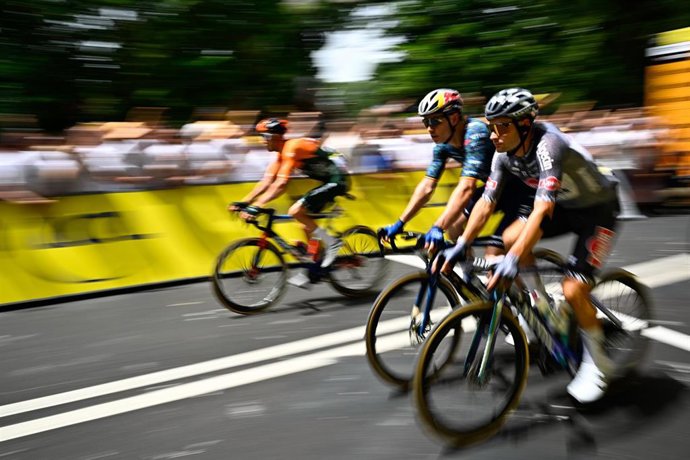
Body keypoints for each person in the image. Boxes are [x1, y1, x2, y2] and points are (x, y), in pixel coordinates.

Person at [436, 87, 620, 403]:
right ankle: (542, 306)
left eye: (502, 126)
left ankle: (599, 363)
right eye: (491, 126)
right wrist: (462, 242)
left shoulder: (550, 144)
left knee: (574, 289)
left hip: (598, 211)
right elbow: (485, 203)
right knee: (508, 239)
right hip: (567, 206)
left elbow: (542, 210)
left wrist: (515, 257)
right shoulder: (503, 153)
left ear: (524, 124)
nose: (494, 135)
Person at [380, 88, 531, 256]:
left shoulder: (476, 133)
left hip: (521, 191)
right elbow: (427, 186)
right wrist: (400, 222)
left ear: (453, 118)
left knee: (493, 254)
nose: (429, 128)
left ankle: (524, 280)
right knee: (453, 227)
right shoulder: (442, 146)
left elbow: (467, 187)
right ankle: (468, 277)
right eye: (426, 122)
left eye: (434, 121)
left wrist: (437, 226)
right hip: (495, 190)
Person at [231, 118, 350, 286]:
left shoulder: (291, 147)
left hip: (337, 179)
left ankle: (333, 243)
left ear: (275, 137)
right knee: (304, 223)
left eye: (264, 137)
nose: (262, 141)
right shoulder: (281, 153)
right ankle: (317, 266)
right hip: (326, 180)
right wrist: (244, 203)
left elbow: (281, 184)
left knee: (295, 211)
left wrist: (256, 206)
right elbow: (266, 182)